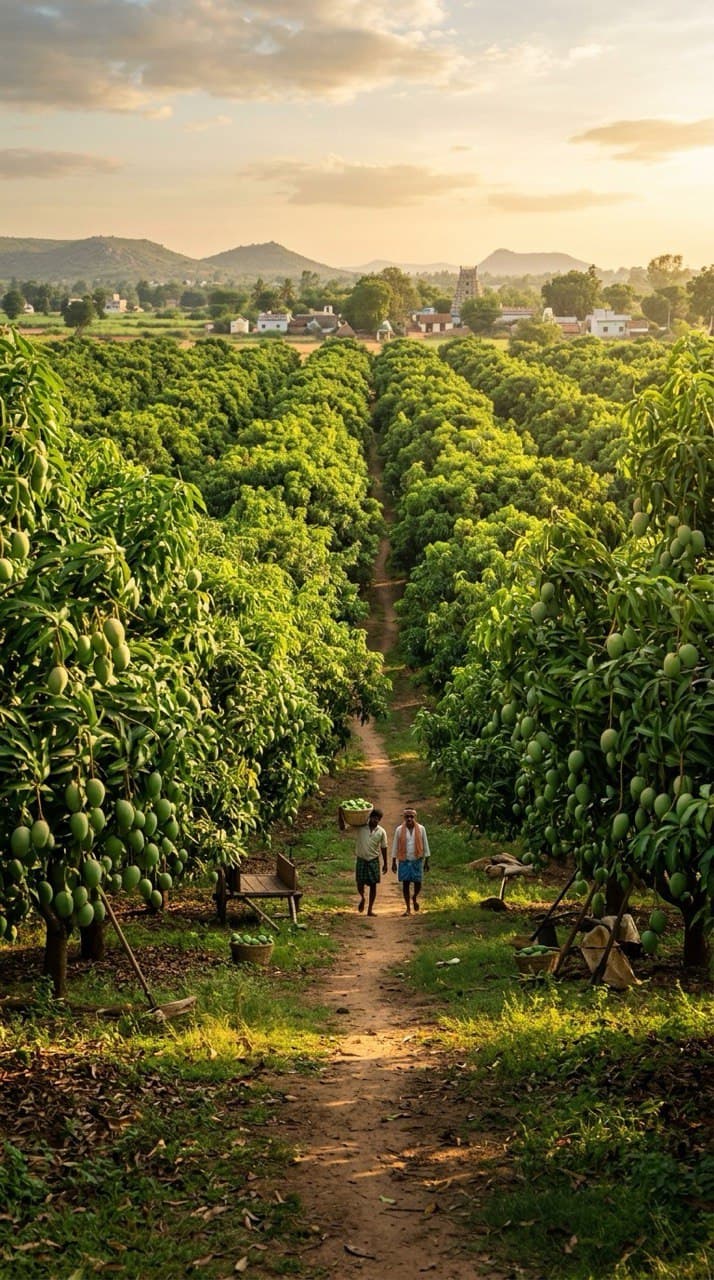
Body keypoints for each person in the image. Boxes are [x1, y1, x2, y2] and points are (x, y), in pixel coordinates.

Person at [346, 808, 388, 915]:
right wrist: (340, 813)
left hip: (373, 860)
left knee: (373, 885)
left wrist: (385, 863)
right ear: (369, 817)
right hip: (361, 859)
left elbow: (384, 847)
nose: (375, 820)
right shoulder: (360, 828)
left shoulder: (381, 831)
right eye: (374, 818)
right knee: (360, 883)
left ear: (380, 820)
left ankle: (370, 909)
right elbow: (343, 827)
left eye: (378, 819)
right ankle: (362, 897)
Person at [391, 807, 430, 915]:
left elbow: (425, 844)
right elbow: (395, 845)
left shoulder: (421, 829)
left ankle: (414, 897)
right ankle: (408, 908)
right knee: (406, 884)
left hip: (417, 859)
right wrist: (394, 861)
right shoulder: (399, 830)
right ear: (404, 817)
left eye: (411, 817)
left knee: (418, 882)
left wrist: (427, 861)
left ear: (415, 817)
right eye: (407, 817)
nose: (409, 819)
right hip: (404, 860)